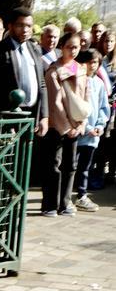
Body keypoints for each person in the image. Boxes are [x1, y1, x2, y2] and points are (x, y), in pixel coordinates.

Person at [41, 33, 88, 216]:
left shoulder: (81, 69)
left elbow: (85, 97)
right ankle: (50, 204)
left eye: (76, 47)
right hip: (57, 125)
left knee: (71, 165)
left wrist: (81, 123)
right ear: (62, 47)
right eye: (69, 47)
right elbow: (55, 102)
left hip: (76, 125)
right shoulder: (54, 70)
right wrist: (67, 126)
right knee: (54, 165)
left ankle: (65, 203)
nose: (73, 50)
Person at [0, 7, 48, 134]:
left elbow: (42, 84)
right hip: (7, 117)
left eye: (29, 26)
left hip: (32, 115)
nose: (25, 30)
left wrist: (44, 116)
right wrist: (1, 117)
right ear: (10, 26)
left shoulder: (36, 50)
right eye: (20, 25)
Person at [73, 49, 110, 211]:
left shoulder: (99, 83)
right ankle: (66, 195)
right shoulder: (76, 81)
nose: (91, 65)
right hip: (78, 131)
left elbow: (103, 107)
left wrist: (99, 125)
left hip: (93, 134)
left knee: (85, 167)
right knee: (71, 165)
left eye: (95, 62)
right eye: (88, 62)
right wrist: (86, 127)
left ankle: (81, 194)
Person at [92, 29, 116, 186]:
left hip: (114, 106)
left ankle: (110, 174)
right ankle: (97, 174)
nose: (108, 44)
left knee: (111, 142)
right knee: (99, 141)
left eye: (111, 41)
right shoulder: (99, 59)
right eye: (106, 41)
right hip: (99, 103)